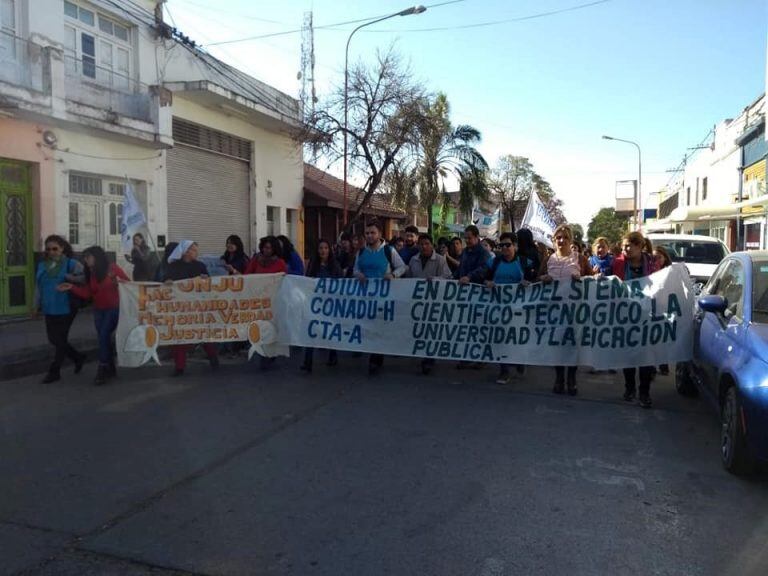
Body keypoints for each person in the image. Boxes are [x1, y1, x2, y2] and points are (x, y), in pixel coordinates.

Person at [58, 246, 128, 385]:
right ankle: (110, 367)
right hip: (99, 310)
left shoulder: (112, 268)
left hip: (113, 309)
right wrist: (71, 287)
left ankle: (102, 368)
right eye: (84, 257)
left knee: (103, 336)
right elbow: (88, 293)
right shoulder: (91, 272)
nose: (85, 260)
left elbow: (128, 284)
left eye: (88, 257)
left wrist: (117, 281)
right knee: (103, 339)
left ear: (97, 257)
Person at [354, 219, 406, 375]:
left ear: (380, 234)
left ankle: (375, 359)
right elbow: (355, 269)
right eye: (367, 233)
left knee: (378, 327)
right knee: (368, 327)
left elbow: (403, 266)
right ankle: (374, 355)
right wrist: (359, 274)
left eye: (373, 233)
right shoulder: (361, 252)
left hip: (384, 297)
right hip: (365, 298)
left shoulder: (388, 251)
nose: (370, 236)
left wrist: (393, 274)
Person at [613, 231, 658, 408]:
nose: (625, 249)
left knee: (646, 356)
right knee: (629, 355)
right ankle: (630, 388)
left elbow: (662, 282)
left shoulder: (653, 264)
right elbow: (608, 280)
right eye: (623, 246)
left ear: (640, 246)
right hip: (625, 316)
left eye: (629, 246)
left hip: (647, 316)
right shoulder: (617, 263)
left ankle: (644, 392)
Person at [34, 235, 86, 384]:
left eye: (55, 248)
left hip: (66, 307)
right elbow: (38, 287)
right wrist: (35, 306)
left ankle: (54, 371)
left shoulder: (71, 263)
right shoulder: (43, 265)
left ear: (62, 248)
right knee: (53, 339)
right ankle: (77, 357)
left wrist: (69, 277)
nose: (52, 252)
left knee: (60, 339)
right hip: (49, 307)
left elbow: (84, 278)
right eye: (48, 249)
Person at [165, 240, 219, 376]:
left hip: (198, 306)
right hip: (181, 308)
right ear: (186, 252)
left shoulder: (200, 265)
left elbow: (208, 283)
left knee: (205, 334)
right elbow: (164, 281)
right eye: (194, 250)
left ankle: (213, 358)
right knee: (180, 338)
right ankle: (180, 366)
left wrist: (206, 279)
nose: (197, 252)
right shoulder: (173, 266)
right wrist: (167, 281)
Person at [485, 232, 531, 384]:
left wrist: (528, 282)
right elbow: (483, 276)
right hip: (498, 308)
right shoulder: (495, 262)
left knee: (515, 339)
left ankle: (519, 361)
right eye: (501, 245)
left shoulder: (525, 262)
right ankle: (504, 371)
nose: (504, 248)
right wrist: (487, 282)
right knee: (500, 339)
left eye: (508, 245)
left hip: (518, 310)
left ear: (515, 246)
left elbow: (536, 279)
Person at [541, 224, 581, 395]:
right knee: (557, 344)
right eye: (558, 237)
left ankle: (571, 379)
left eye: (565, 237)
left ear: (570, 240)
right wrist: (544, 277)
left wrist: (581, 278)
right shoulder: (549, 259)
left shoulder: (578, 258)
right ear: (554, 240)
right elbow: (538, 278)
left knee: (572, 346)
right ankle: (559, 378)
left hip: (573, 310)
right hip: (554, 310)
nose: (561, 240)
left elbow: (592, 278)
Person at [408, 233, 452, 375]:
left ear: (432, 245)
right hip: (417, 302)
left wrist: (435, 279)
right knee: (420, 329)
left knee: (431, 331)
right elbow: (408, 280)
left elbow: (448, 277)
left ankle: (429, 359)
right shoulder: (413, 260)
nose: (424, 246)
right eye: (421, 244)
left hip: (434, 302)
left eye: (427, 244)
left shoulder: (440, 260)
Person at [301, 239, 342, 373]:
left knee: (329, 331)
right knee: (311, 331)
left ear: (329, 250)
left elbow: (341, 284)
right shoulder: (313, 265)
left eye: (325, 248)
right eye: (320, 248)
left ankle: (333, 355)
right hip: (316, 304)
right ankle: (308, 362)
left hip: (331, 305)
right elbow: (307, 282)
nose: (323, 251)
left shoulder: (334, 266)